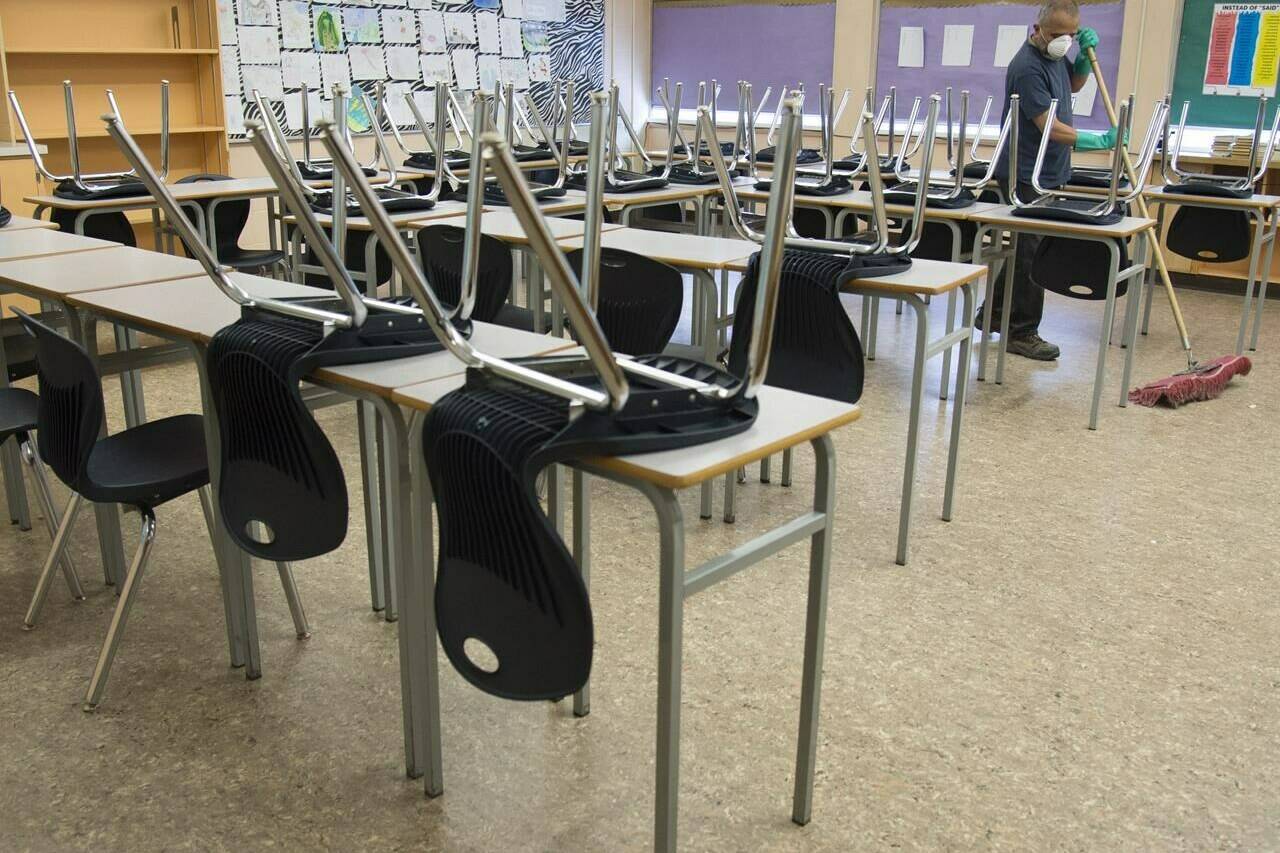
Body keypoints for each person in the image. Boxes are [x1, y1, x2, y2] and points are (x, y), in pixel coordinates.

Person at [984, 0, 1118, 361]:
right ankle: (1021, 331)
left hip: (1049, 169)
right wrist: (1096, 141)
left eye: (1071, 35)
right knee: (1033, 252)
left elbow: (1071, 85)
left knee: (1027, 247)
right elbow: (1048, 126)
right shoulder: (1027, 67)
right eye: (1057, 34)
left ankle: (993, 314)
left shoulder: (1055, 56)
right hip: (1026, 171)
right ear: (1038, 29)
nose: (1063, 41)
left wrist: (1083, 61)